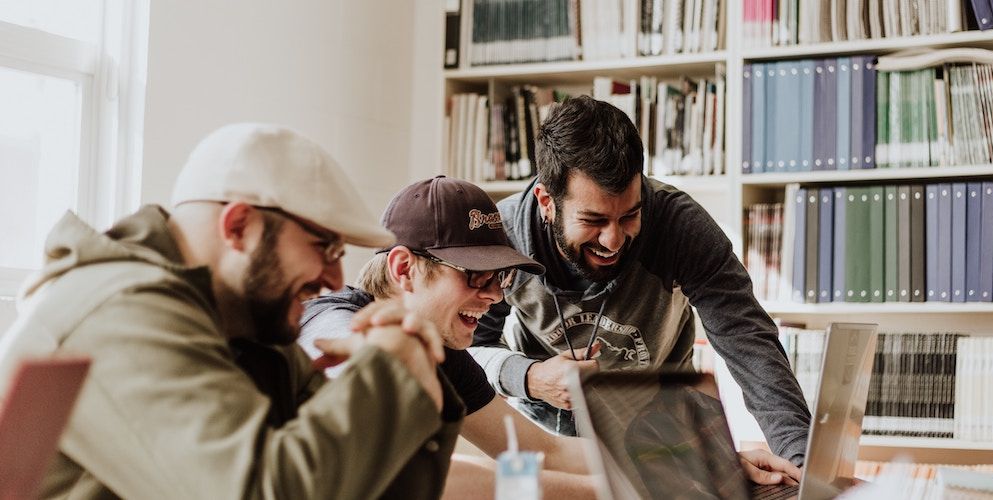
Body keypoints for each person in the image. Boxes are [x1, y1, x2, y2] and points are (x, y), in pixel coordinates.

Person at [0, 123, 462, 498]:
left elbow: (365, 486)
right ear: (239, 226)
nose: (336, 280)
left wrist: (416, 374)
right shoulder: (121, 312)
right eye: (324, 246)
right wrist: (385, 371)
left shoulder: (247, 325)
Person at [299, 176, 792, 498]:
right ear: (405, 268)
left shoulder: (444, 350)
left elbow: (541, 450)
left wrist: (704, 463)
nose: (494, 296)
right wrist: (630, 490)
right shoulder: (334, 324)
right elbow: (428, 477)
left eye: (500, 278)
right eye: (475, 276)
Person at [468, 95, 810, 478]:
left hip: (662, 432)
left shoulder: (680, 226)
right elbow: (469, 350)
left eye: (629, 215)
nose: (613, 240)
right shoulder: (503, 236)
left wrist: (803, 466)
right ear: (546, 201)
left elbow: (748, 340)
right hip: (546, 440)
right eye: (593, 220)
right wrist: (528, 377)